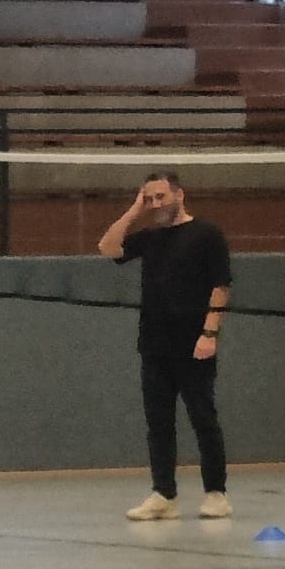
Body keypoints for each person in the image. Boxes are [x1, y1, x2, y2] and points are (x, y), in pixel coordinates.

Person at [99, 169, 232, 521]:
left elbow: (221, 286)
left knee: (203, 418)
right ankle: (164, 494)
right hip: (154, 346)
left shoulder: (207, 234)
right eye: (150, 198)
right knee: (158, 423)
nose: (156, 203)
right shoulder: (151, 237)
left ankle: (216, 493)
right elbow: (107, 247)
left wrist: (210, 333)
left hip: (194, 345)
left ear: (179, 195)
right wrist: (133, 211)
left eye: (161, 197)